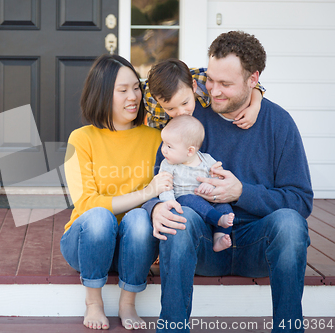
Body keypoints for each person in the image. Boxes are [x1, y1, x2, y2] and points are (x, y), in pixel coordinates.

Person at [143, 31, 313, 332]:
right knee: (177, 218)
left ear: (253, 80)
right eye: (210, 80)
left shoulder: (278, 123)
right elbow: (159, 183)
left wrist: (241, 192)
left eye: (225, 84)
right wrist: (155, 207)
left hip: (256, 245)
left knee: (290, 223)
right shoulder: (188, 116)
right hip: (203, 245)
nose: (214, 90)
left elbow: (300, 200)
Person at [61, 54, 171, 330]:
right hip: (87, 242)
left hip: (135, 245)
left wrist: (254, 92)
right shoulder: (82, 138)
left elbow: (186, 84)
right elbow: (86, 203)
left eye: (136, 87)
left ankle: (127, 303)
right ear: (101, 94)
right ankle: (94, 302)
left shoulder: (157, 138)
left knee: (137, 219)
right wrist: (146, 193)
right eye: (122, 90)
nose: (133, 96)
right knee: (100, 217)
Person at [158, 115, 234, 252]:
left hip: (209, 201)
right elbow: (165, 187)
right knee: (191, 199)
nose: (164, 149)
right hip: (185, 202)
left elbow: (219, 179)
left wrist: (212, 184)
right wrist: (168, 202)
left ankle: (219, 237)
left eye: (169, 146)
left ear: (190, 151)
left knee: (225, 207)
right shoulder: (168, 165)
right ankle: (218, 219)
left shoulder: (207, 160)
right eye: (163, 143)